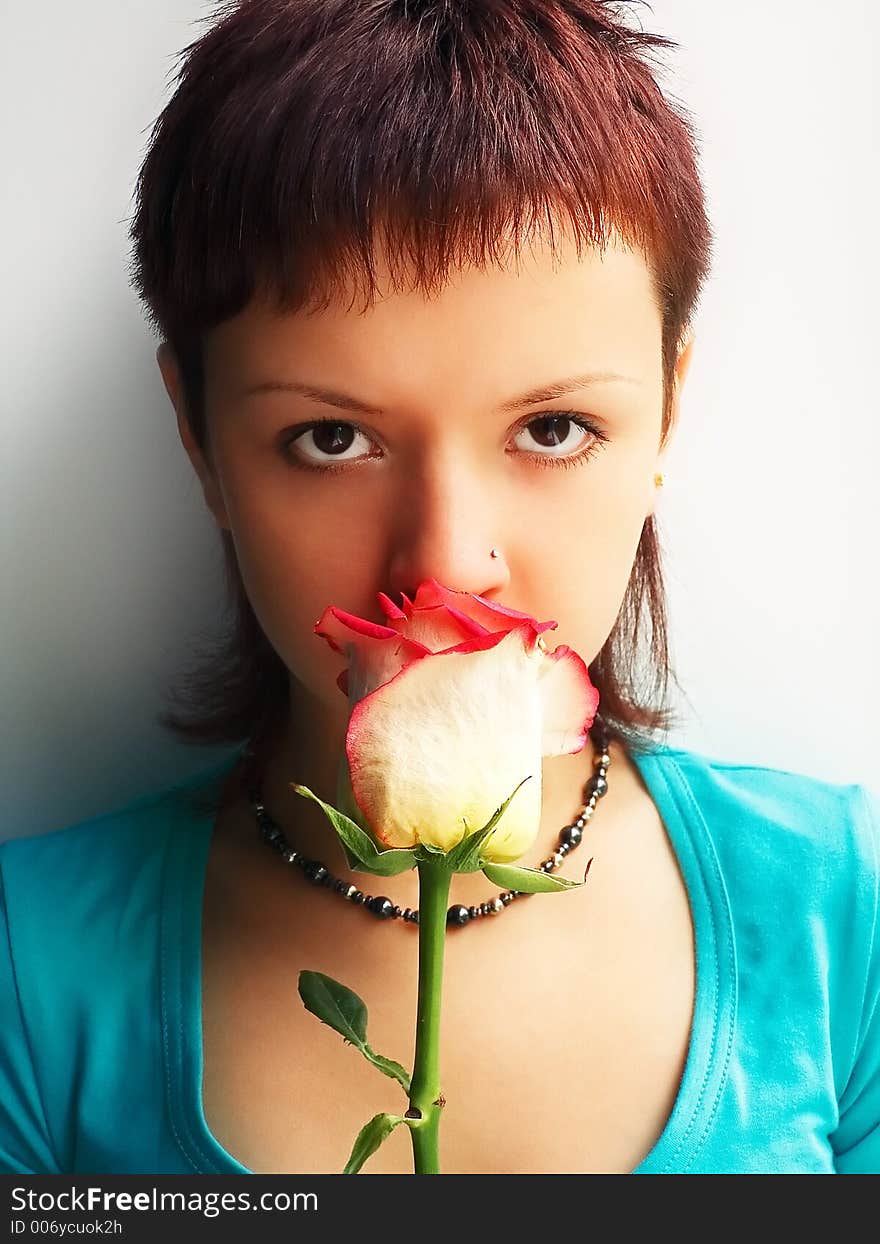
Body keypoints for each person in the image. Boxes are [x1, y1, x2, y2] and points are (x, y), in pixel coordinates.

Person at [2, 0, 878, 1177]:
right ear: (198, 437)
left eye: (554, 426)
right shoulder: (29, 968)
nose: (445, 566)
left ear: (667, 410)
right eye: (328, 438)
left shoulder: (845, 920)